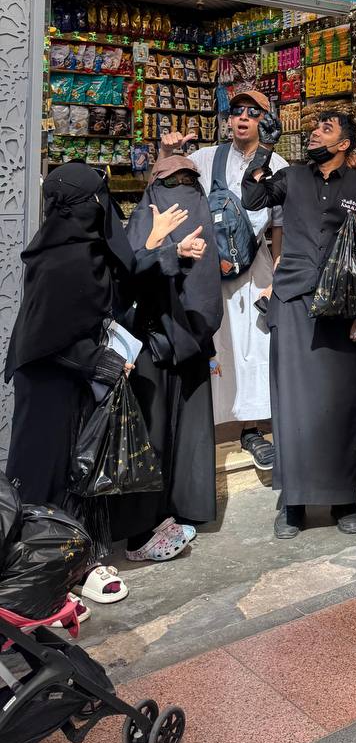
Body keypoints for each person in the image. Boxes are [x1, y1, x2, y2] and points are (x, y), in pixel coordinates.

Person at [5, 161, 190, 602]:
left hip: (74, 380)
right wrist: (101, 362)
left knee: (79, 470)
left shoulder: (82, 250)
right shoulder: (61, 260)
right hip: (51, 384)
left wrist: (154, 244)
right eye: (96, 198)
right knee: (48, 473)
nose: (103, 205)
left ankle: (73, 561)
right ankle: (41, 572)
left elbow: (110, 294)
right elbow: (48, 334)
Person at [242, 111, 356, 540]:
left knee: (344, 405)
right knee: (293, 406)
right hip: (293, 300)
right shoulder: (291, 177)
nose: (315, 133)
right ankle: (294, 503)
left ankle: (343, 500)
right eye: (315, 127)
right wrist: (264, 150)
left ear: (344, 144)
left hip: (344, 306)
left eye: (326, 129)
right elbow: (252, 198)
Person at [158, 91, 288, 470]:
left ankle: (251, 429)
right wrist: (166, 154)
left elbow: (280, 227)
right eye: (237, 111)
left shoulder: (277, 164)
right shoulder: (205, 158)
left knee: (253, 347)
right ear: (228, 120)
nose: (243, 117)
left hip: (255, 269)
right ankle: (202, 429)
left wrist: (277, 275)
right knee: (213, 346)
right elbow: (162, 190)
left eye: (253, 112)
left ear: (265, 119)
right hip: (207, 267)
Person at [111, 157, 222, 563]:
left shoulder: (149, 211)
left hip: (153, 343)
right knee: (177, 429)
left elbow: (127, 276)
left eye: (186, 185)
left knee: (153, 430)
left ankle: (149, 518)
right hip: (188, 340)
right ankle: (179, 508)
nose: (182, 194)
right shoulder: (199, 207)